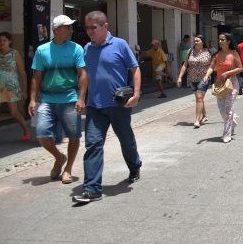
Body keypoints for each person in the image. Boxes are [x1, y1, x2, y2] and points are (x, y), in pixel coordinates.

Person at [73, 11, 142, 204]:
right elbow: (85, 74)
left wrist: (136, 94)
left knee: (126, 140)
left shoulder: (120, 44)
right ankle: (92, 189)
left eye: (93, 27)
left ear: (105, 26)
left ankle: (135, 165)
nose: (89, 32)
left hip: (119, 105)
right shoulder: (87, 48)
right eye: (87, 28)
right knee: (93, 144)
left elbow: (134, 68)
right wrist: (81, 98)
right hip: (95, 106)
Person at [27, 15, 87, 184]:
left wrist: (81, 98)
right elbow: (36, 77)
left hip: (70, 97)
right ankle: (59, 157)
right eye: (67, 27)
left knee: (73, 136)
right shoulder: (42, 50)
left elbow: (82, 74)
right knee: (42, 134)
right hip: (47, 99)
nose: (71, 30)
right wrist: (32, 99)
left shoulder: (76, 48)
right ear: (56, 30)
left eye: (70, 27)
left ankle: (68, 169)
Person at [203, 33, 243, 143]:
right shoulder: (217, 54)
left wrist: (228, 73)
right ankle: (232, 121)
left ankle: (227, 135)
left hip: (232, 84)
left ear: (228, 41)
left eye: (222, 40)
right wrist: (206, 76)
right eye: (219, 40)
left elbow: (240, 68)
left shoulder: (234, 53)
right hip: (220, 84)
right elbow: (211, 67)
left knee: (228, 110)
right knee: (222, 110)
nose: (220, 41)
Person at [0, 31, 31, 140]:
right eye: (0, 40)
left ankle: (26, 130)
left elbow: (22, 72)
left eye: (4, 40)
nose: (2, 42)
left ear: (10, 41)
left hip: (11, 87)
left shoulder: (14, 53)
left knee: (13, 112)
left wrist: (24, 90)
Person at [176, 35, 211, 128]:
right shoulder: (190, 52)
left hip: (204, 79)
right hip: (192, 79)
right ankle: (204, 115)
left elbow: (213, 66)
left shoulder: (208, 52)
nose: (195, 42)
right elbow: (185, 65)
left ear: (202, 42)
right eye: (194, 41)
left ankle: (197, 120)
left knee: (199, 98)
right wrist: (180, 77)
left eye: (197, 41)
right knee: (199, 99)